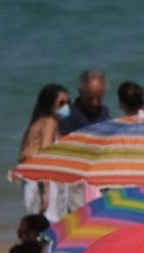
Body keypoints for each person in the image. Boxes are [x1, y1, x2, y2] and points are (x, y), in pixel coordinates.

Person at [19, 83, 69, 222]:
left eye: (67, 102)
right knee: (51, 227)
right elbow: (44, 158)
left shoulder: (36, 123)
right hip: (44, 185)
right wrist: (45, 193)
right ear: (50, 104)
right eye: (61, 103)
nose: (66, 106)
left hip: (33, 182)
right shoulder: (49, 122)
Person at [59, 69, 110, 134]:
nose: (95, 103)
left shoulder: (104, 111)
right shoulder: (66, 114)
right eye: (90, 98)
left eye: (99, 98)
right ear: (80, 92)